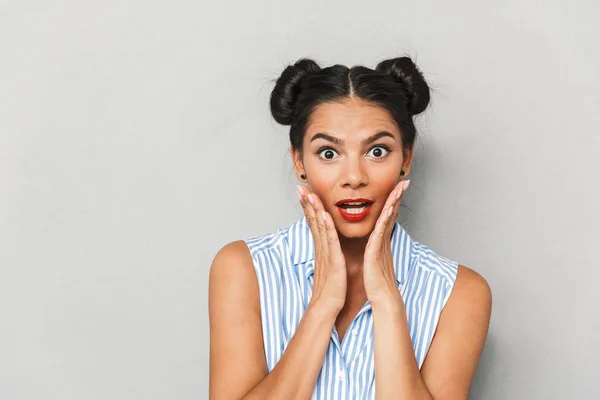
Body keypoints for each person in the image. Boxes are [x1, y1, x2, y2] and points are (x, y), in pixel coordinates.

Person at [208, 56, 492, 400]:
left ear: (405, 159)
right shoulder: (243, 269)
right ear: (300, 162)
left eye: (377, 151)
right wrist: (323, 306)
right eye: (328, 153)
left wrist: (387, 301)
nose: (354, 178)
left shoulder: (459, 293)